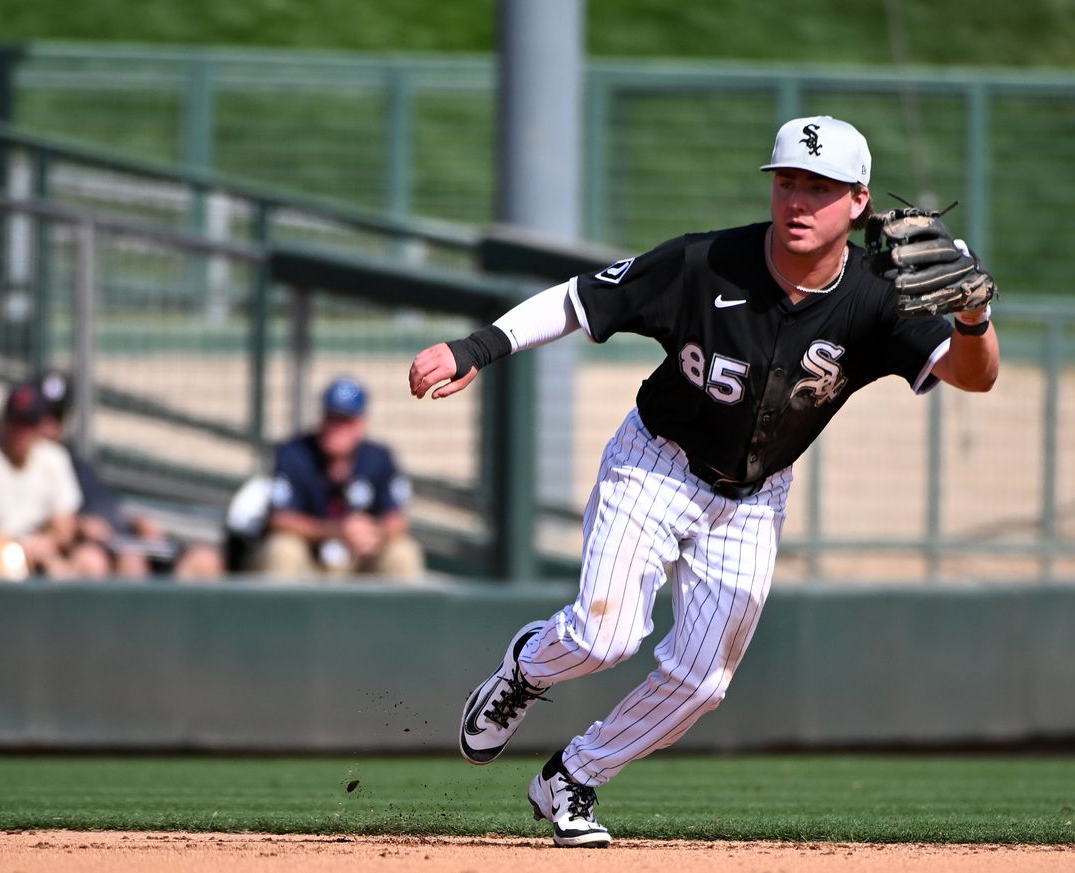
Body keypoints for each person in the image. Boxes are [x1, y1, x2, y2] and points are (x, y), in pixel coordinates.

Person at [408, 115, 1000, 848]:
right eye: (788, 182)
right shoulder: (705, 263)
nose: (798, 201)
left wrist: (974, 316)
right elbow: (578, 299)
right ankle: (527, 671)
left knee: (701, 681)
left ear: (858, 202)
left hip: (756, 497)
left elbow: (975, 377)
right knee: (606, 634)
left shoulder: (880, 297)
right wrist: (476, 346)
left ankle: (573, 777)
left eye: (821, 188)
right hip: (656, 463)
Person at [33, 371, 224, 581]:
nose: (48, 427)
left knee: (205, 559)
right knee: (119, 561)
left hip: (119, 539)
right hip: (80, 553)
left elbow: (106, 508)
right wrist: (79, 525)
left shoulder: (72, 462)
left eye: (56, 417)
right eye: (39, 418)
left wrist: (135, 523)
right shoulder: (11, 463)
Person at [256, 376, 423, 581]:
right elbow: (279, 518)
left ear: (361, 423)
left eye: (345, 420)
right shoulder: (294, 454)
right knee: (283, 550)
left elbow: (398, 519)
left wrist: (371, 533)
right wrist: (336, 530)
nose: (336, 428)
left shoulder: (378, 458)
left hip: (359, 560)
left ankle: (401, 614)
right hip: (311, 557)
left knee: (402, 552)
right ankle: (279, 614)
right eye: (331, 417)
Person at [0, 381, 85, 578]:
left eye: (29, 425)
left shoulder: (53, 458)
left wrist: (46, 543)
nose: (22, 434)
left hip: (43, 551)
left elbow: (65, 525)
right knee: (7, 562)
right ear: (5, 423)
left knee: (89, 562)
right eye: (17, 424)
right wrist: (22, 549)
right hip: (1, 554)